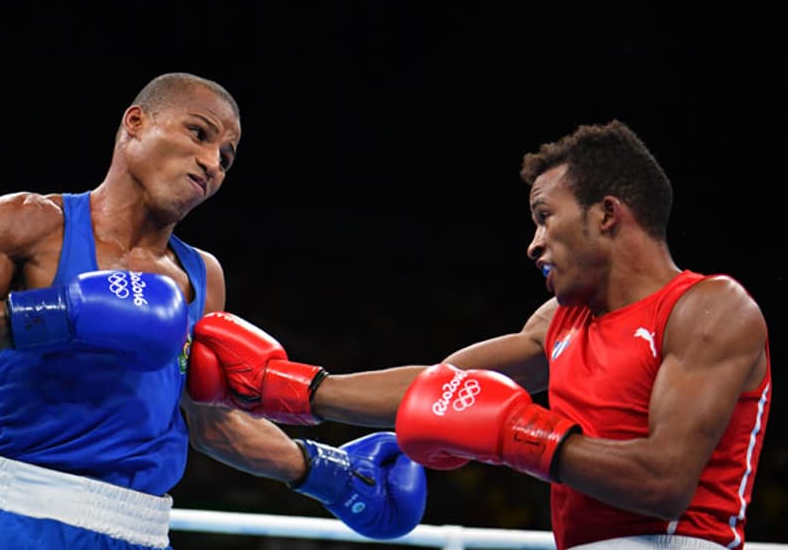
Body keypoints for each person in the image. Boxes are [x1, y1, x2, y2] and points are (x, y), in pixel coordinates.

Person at [0, 72, 427, 549]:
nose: (213, 163)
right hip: (16, 518)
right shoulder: (32, 223)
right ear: (137, 122)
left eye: (227, 157)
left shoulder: (201, 277)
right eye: (199, 133)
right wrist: (65, 313)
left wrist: (324, 471)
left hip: (140, 532)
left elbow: (209, 423)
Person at [187, 120, 773, 550]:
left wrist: (518, 434)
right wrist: (283, 389)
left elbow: (664, 482)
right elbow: (437, 388)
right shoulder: (558, 324)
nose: (534, 242)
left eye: (546, 216)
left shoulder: (709, 309)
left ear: (607, 213)